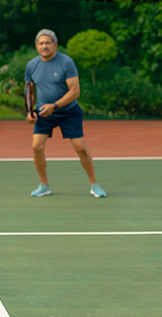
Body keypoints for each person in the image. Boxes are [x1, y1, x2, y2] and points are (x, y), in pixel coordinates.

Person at [25, 29, 107, 198]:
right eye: (41, 43)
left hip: (69, 112)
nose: (44, 46)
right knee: (36, 147)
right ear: (36, 46)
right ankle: (44, 186)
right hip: (44, 113)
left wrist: (54, 105)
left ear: (55, 45)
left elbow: (75, 91)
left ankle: (94, 185)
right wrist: (30, 112)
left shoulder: (66, 62)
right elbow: (29, 91)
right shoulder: (31, 65)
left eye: (48, 43)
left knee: (81, 148)